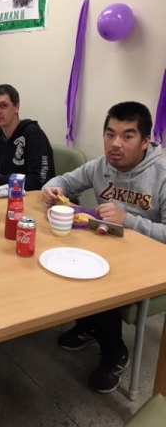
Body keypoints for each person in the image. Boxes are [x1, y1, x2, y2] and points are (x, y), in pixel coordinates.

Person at [41, 101, 166, 393]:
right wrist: (53, 188)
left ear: (146, 140)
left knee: (100, 281)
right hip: (108, 247)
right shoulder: (101, 166)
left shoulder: (161, 174)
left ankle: (115, 352)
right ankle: (89, 325)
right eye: (110, 134)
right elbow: (63, 180)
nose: (115, 144)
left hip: (149, 261)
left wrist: (130, 221)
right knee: (63, 255)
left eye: (127, 136)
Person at [0, 84, 55, 191]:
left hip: (30, 199)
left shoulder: (33, 134)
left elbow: (39, 181)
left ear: (16, 107)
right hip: (4, 194)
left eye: (3, 106)